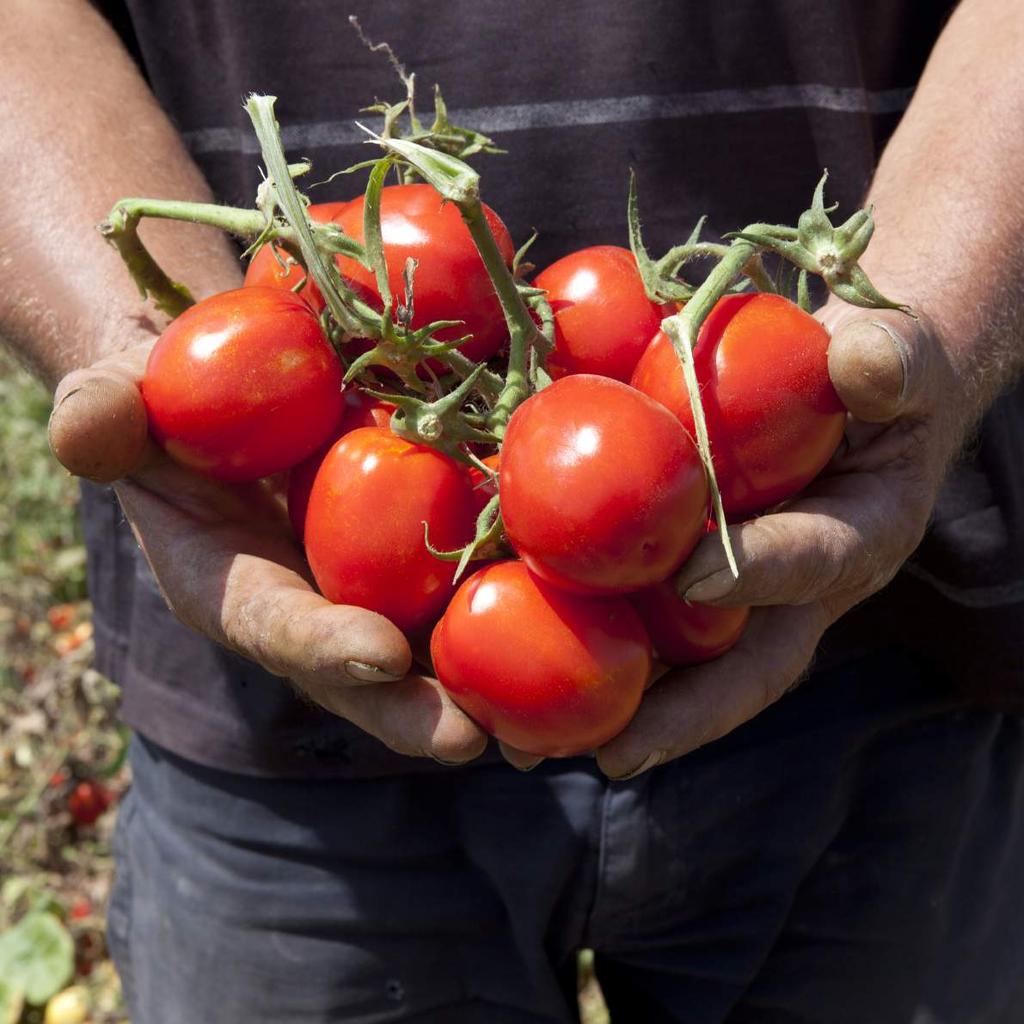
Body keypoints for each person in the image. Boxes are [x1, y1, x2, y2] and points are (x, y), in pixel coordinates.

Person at [3, 0, 1024, 1020]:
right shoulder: (400, 430)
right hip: (283, 757)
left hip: (890, 679)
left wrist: (939, 307)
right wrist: (126, 326)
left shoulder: (476, 415)